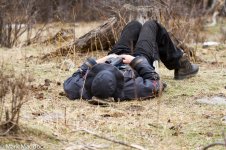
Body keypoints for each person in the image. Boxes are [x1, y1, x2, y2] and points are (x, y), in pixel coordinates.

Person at [63, 20, 199, 101]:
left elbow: (72, 78)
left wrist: (102, 60)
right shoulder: (131, 88)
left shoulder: (83, 88)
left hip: (115, 57)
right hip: (139, 62)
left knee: (133, 25)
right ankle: (181, 65)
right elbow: (156, 83)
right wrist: (136, 61)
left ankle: (180, 63)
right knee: (151, 24)